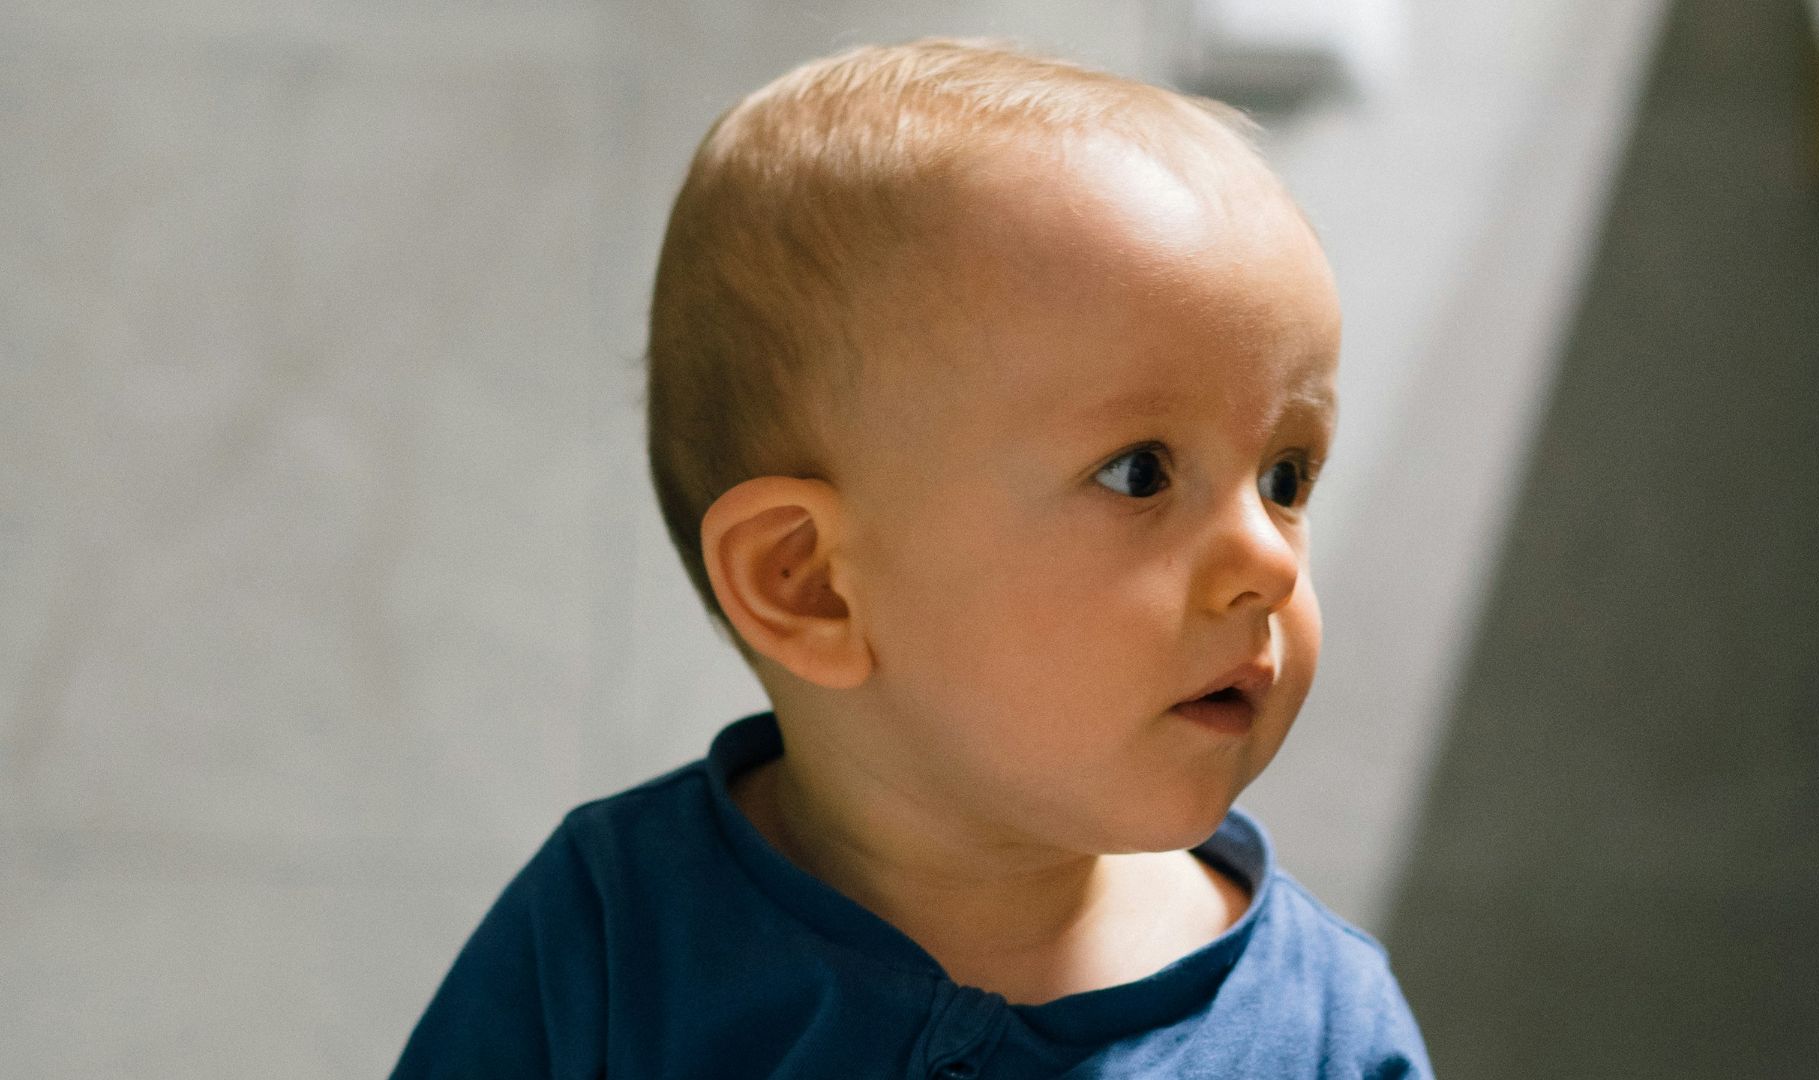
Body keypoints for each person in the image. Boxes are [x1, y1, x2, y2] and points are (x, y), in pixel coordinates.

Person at [391, 37, 1430, 1079]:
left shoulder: (1326, 1032)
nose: (1268, 558)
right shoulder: (610, 943)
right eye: (1139, 474)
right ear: (810, 584)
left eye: (1287, 478)